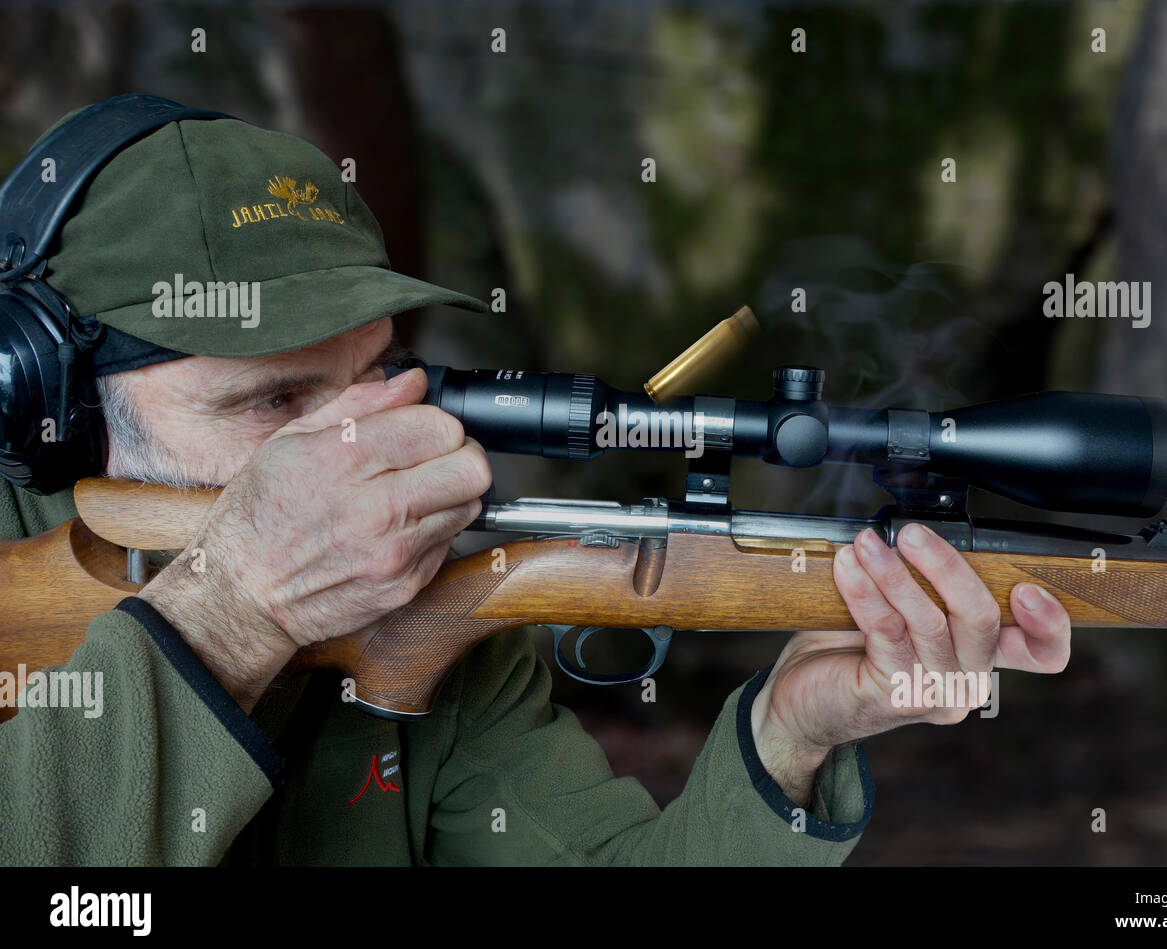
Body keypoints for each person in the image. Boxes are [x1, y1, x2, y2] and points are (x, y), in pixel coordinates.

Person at [0, 103, 1070, 864]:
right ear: (54, 410)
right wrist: (233, 611)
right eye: (274, 401)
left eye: (378, 376)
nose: (359, 444)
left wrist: (789, 741)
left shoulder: (429, 618)